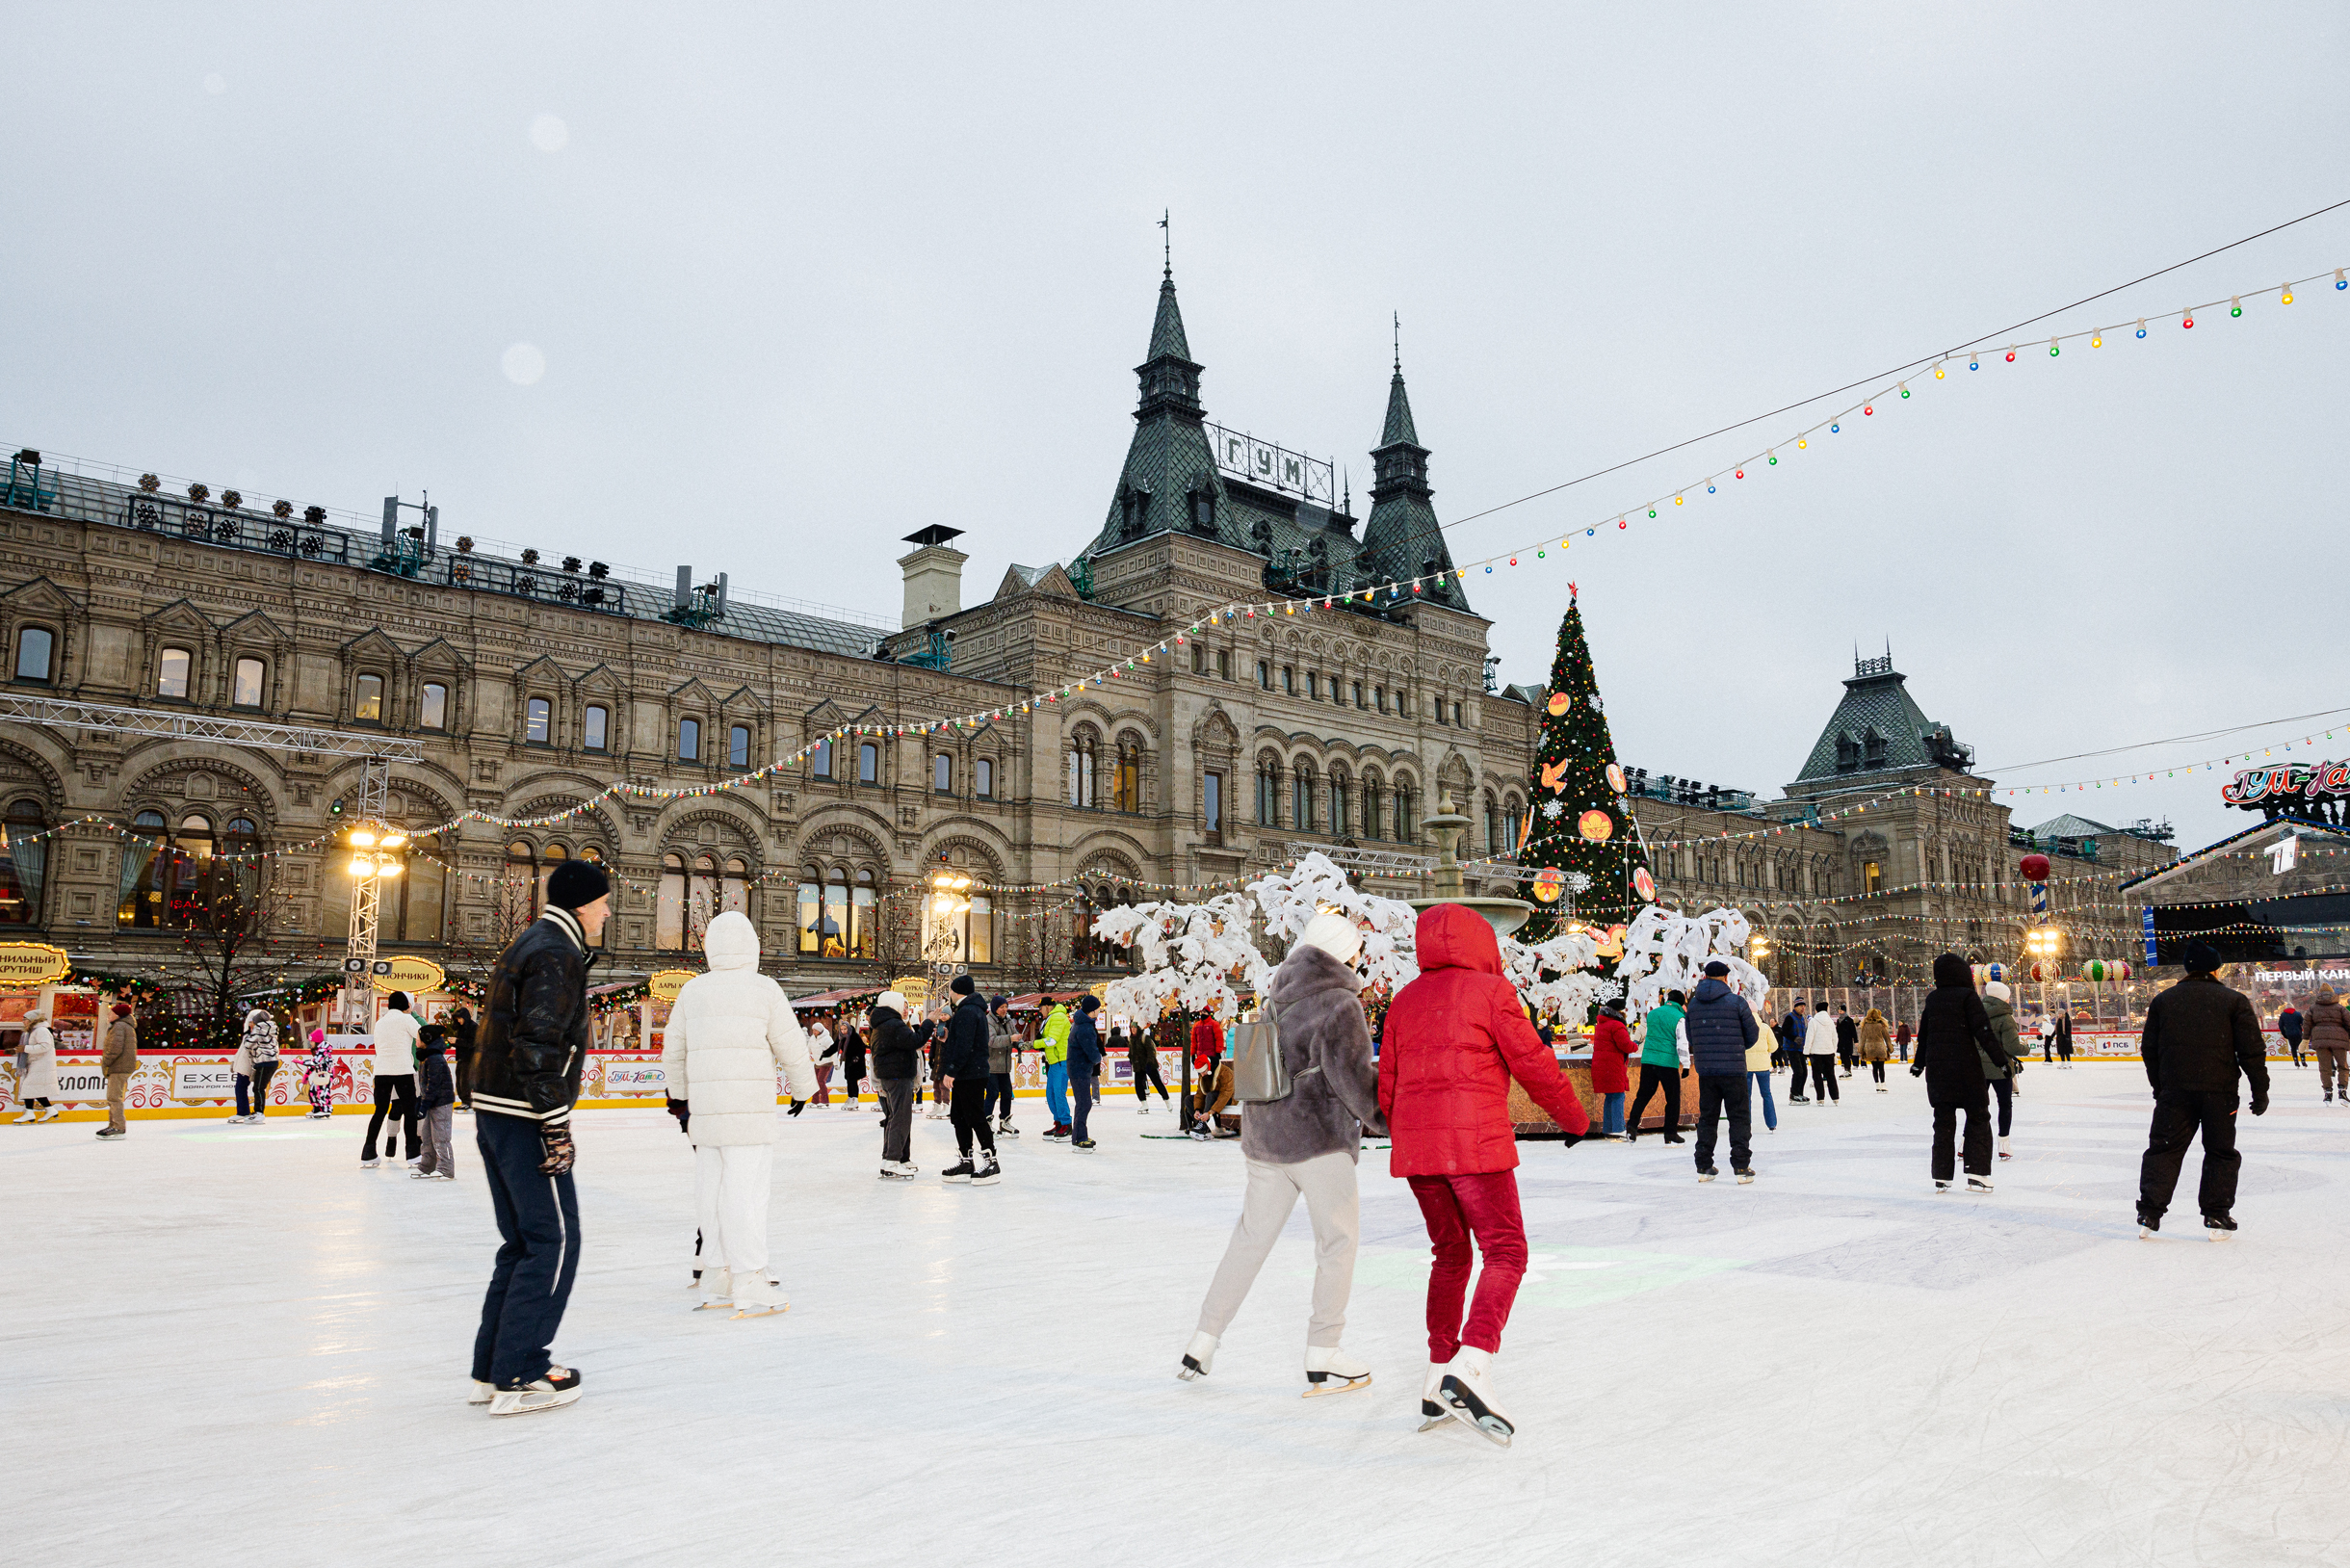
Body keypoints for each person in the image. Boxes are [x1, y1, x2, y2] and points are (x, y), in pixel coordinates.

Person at [1380, 904, 1588, 1448]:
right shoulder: (1492, 993)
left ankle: (1436, 1375)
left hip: (1418, 1150)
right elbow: (1534, 1061)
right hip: (1475, 1144)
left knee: (1450, 1255)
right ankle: (1472, 1362)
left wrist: (1404, 1131)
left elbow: (1389, 1081)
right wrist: (1573, 1116)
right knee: (1506, 1251)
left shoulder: (1404, 1000)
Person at [1180, 913, 1386, 1395]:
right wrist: (1385, 1116)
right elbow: (1353, 1079)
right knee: (1337, 1243)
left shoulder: (1278, 994)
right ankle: (1324, 1351)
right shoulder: (1340, 1003)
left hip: (1266, 1138)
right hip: (1317, 1142)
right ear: (1341, 953)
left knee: (1249, 1240)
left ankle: (1203, 1340)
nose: (1359, 959)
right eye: (1355, 950)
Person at [467, 857, 609, 1416]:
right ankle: (522, 1369)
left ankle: (492, 1368)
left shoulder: (532, 941)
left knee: (523, 1242)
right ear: (580, 902)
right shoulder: (556, 951)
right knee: (552, 1240)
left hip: (497, 1109)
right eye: (600, 901)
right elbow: (537, 1043)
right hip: (524, 1113)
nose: (605, 911)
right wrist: (554, 1124)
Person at [663, 909, 818, 1314]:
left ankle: (716, 1276)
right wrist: (804, 1089)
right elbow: (791, 1046)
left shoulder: (693, 991)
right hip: (749, 1113)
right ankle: (750, 1278)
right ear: (753, 947)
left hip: (707, 1115)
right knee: (745, 1193)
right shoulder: (764, 989)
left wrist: (679, 1097)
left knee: (710, 1191)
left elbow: (673, 1050)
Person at [2137, 939, 2267, 1237]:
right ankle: (2216, 1214)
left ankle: (2150, 1213)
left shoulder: (2164, 1001)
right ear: (2216, 968)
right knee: (2221, 1151)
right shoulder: (2233, 1001)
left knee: (2164, 1150)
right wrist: (2260, 1091)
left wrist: (2161, 1087)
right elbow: (2252, 1051)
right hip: (2219, 1092)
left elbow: (2150, 1050)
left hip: (2176, 1092)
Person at [1908, 954, 2011, 1193]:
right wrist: (2001, 1062)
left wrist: (1918, 1063)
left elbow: (1924, 1035)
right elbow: (1983, 1032)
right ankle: (1977, 1173)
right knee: (1978, 1118)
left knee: (1943, 1123)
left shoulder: (1933, 999)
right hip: (1966, 1070)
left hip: (1938, 1073)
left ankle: (1942, 1175)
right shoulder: (1967, 996)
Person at [1684, 960, 1762, 1182]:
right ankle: (1741, 1167)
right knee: (1739, 1117)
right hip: (1734, 1068)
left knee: (1708, 1117)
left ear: (1705, 977)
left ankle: (1704, 1166)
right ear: (1727, 978)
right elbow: (1752, 1035)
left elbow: (1691, 1037)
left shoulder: (1694, 1005)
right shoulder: (1736, 1002)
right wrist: (1734, 1047)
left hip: (1707, 1070)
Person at [934, 975, 1004, 1185]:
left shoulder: (966, 1011)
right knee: (959, 1116)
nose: (950, 995)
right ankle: (966, 1161)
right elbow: (965, 1042)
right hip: (971, 1072)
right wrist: (949, 1040)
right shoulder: (973, 1010)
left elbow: (966, 1046)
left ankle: (991, 1161)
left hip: (971, 1074)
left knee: (973, 1116)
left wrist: (951, 1070)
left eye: (951, 992)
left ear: (957, 991)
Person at [362, 992, 422, 1169]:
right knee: (409, 1111)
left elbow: (379, 1047)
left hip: (381, 1070)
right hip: (403, 1069)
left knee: (380, 1111)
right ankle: (412, 1154)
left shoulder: (380, 1023)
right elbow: (420, 1038)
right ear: (407, 1005)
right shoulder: (406, 1019)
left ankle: (368, 1152)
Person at [867, 991, 922, 1179]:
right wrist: (929, 1022)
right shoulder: (893, 1025)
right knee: (900, 1117)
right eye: (903, 1005)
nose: (906, 1009)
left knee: (897, 1117)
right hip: (897, 1076)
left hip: (894, 1076)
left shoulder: (884, 1023)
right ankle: (892, 1160)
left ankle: (899, 1158)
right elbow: (916, 1041)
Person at [1625, 989, 1685, 1143]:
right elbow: (1682, 1042)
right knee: (1672, 1099)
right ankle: (1670, 1133)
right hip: (1667, 1062)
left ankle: (1631, 1127)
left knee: (1643, 1095)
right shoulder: (1679, 1018)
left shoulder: (1653, 1014)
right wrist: (1686, 1064)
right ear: (1681, 1003)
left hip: (1649, 1060)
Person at [1981, 980, 2024, 1160]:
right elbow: (2012, 1047)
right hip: (2001, 1068)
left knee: (1978, 1106)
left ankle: (1965, 1143)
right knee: (2004, 1104)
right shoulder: (2006, 1018)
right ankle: (2004, 1144)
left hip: (1979, 1068)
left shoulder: (1975, 1014)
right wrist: (2026, 1049)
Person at [411, 1028, 457, 1181]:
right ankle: (427, 1166)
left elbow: (434, 1085)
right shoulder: (426, 1057)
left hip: (441, 1102)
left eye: (418, 1038)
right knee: (427, 1137)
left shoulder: (435, 1058)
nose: (416, 1041)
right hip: (431, 1101)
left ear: (427, 1040)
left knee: (441, 1137)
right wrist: (422, 1102)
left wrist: (424, 1105)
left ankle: (446, 1168)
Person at [1588, 1000, 1637, 1139]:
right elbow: (1625, 1045)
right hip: (1613, 1066)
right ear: (1619, 1011)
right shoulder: (1617, 1025)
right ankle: (1618, 1129)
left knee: (1610, 1097)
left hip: (1603, 1066)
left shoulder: (1601, 1024)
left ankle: (1609, 1129)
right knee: (1618, 1096)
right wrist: (1635, 1045)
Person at [230, 1006, 279, 1123]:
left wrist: (237, 1064)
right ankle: (251, 1112)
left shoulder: (256, 1033)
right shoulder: (270, 1031)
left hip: (258, 1063)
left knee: (255, 1088)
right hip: (260, 1063)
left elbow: (246, 1048)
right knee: (255, 1088)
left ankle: (255, 1112)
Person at [1067, 995, 1105, 1150]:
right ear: (1092, 1010)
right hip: (1079, 1069)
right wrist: (1098, 1058)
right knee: (1084, 1103)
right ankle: (1079, 1137)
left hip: (1079, 1069)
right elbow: (1090, 1048)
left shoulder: (1083, 1023)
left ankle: (1079, 1135)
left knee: (1083, 1103)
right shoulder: (1084, 1027)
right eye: (1098, 1009)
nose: (1099, 1011)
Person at [95, 1002, 136, 1139]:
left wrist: (106, 1062)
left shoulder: (119, 1026)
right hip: (121, 1066)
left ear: (118, 1015)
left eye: (111, 1013)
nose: (108, 1015)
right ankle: (113, 1124)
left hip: (119, 1066)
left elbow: (114, 1049)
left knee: (114, 1097)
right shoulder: (122, 1026)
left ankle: (118, 1126)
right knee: (113, 1097)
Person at [12, 1010, 58, 1122]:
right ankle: (50, 1110)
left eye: (25, 1019)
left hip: (42, 1063)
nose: (23, 1022)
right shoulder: (32, 1031)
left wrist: (25, 1048)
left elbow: (45, 1046)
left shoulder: (41, 1030)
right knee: (33, 1088)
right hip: (36, 1062)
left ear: (32, 1020)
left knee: (28, 1086)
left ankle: (29, 1112)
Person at [1038, 996, 1073, 1139]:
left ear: (1048, 1006)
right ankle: (1058, 1122)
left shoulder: (1058, 1017)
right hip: (1053, 1062)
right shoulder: (1050, 1018)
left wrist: (1034, 1044)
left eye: (1041, 1008)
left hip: (1061, 1061)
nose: (1040, 1011)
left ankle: (1066, 1124)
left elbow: (1052, 1040)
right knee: (1051, 1095)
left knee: (1058, 1093)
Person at [2307, 989, 2350, 1103]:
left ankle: (2327, 1092)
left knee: (2324, 1067)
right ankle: (2342, 1091)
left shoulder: (2313, 1008)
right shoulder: (2340, 1008)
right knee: (2343, 1066)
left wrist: (2305, 1039)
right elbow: (2349, 1022)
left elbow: (2307, 1024)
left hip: (2320, 1040)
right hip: (2339, 1040)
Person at [984, 996, 1018, 1137]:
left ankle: (1004, 1121)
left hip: (1004, 1066)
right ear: (994, 1008)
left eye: (1006, 1006)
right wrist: (1010, 1039)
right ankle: (986, 1124)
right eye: (1001, 1007)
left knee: (1006, 1094)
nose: (1004, 1010)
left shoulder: (1008, 1021)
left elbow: (1014, 1033)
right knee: (992, 1094)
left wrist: (1019, 1042)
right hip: (991, 1065)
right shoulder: (988, 1021)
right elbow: (991, 1041)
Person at [1745, 1000, 1778, 1134]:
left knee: (1746, 1096)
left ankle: (1746, 1123)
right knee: (1766, 1094)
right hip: (1763, 1066)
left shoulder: (1742, 1027)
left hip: (1746, 1065)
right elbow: (1774, 1046)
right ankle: (1771, 1123)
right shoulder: (1765, 1027)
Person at [1129, 1019, 1170, 1112]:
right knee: (1138, 1085)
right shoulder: (1131, 1039)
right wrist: (1131, 1060)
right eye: (1132, 1027)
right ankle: (1144, 1104)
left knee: (1157, 1083)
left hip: (1149, 1065)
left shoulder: (1144, 1037)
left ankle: (1167, 1101)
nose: (1133, 1029)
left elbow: (1151, 1051)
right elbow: (1131, 1052)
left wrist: (1149, 1063)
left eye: (1135, 1027)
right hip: (1139, 1066)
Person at [1804, 1003, 1841, 1105]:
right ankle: (1835, 1097)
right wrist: (1833, 1050)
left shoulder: (1813, 1022)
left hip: (1816, 1053)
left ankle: (1820, 1098)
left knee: (1817, 1076)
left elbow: (1809, 1037)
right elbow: (1835, 1038)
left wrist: (1806, 1051)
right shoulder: (1830, 1022)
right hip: (1829, 1052)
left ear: (1816, 1010)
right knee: (1830, 1076)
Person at [448, 1005, 478, 1111]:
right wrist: (454, 1042)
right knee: (459, 1080)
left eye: (460, 1018)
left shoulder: (473, 1027)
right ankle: (463, 1100)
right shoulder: (461, 1028)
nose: (459, 1021)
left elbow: (472, 1043)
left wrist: (457, 1041)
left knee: (464, 1080)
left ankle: (467, 1102)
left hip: (469, 1059)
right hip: (461, 1058)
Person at [838, 1011, 868, 1111]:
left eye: (845, 1029)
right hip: (849, 1062)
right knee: (849, 1080)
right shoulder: (843, 1038)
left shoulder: (855, 1037)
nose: (843, 1031)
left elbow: (862, 1049)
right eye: (842, 1029)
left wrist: (857, 1057)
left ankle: (855, 1099)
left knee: (853, 1081)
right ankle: (850, 1097)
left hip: (856, 1063)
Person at [1782, 1000, 1812, 1102]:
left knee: (1804, 1072)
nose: (1803, 1008)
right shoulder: (1790, 1017)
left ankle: (1799, 1093)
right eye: (1801, 1006)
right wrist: (1794, 1038)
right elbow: (1784, 1031)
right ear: (1795, 1007)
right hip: (1791, 1048)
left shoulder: (1802, 1018)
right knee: (1798, 1071)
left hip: (1800, 1048)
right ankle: (1794, 1094)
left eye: (1804, 1006)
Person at [806, 1013, 837, 1108]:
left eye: (815, 1030)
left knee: (820, 1081)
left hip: (826, 1063)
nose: (814, 1031)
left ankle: (825, 1101)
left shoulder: (827, 1039)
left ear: (820, 1030)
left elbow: (833, 1051)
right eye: (813, 1030)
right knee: (815, 1082)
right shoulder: (812, 1039)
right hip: (817, 1063)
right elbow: (809, 1049)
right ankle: (815, 1101)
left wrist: (835, 1063)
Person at [303, 1027, 334, 1118]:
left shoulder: (323, 1050)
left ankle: (326, 1109)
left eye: (311, 1041)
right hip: (320, 1074)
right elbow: (314, 1065)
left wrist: (301, 1062)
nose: (310, 1043)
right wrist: (306, 1075)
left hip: (326, 1074)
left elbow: (315, 1062)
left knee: (323, 1091)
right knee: (313, 1090)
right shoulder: (318, 1050)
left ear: (316, 1041)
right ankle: (317, 1108)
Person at [1859, 1007, 1891, 1090]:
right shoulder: (1881, 1025)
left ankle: (1877, 1085)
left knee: (1875, 1068)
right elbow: (1887, 1038)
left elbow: (1862, 1039)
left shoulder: (1865, 1026)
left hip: (1870, 1048)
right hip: (1880, 1048)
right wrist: (1890, 1048)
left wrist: (1860, 1049)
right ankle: (1883, 1084)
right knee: (1881, 1067)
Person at [2277, 1002, 2304, 1069]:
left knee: (2293, 1047)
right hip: (2298, 1033)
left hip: (2289, 1033)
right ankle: (2303, 1059)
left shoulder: (2283, 1015)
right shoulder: (2297, 1014)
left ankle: (2295, 1060)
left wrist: (2284, 1034)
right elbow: (2303, 1023)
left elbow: (2280, 1025)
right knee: (2300, 1047)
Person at [1835, 1006, 1859, 1078]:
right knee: (1843, 1056)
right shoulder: (1838, 1020)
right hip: (1841, 1041)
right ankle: (1845, 1069)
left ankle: (1848, 1069)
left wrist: (1856, 1040)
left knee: (1847, 1056)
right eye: (1839, 1011)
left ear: (1844, 1011)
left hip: (1847, 1041)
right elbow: (1837, 1031)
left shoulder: (1849, 1020)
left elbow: (1853, 1031)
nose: (1840, 1012)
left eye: (1841, 1011)